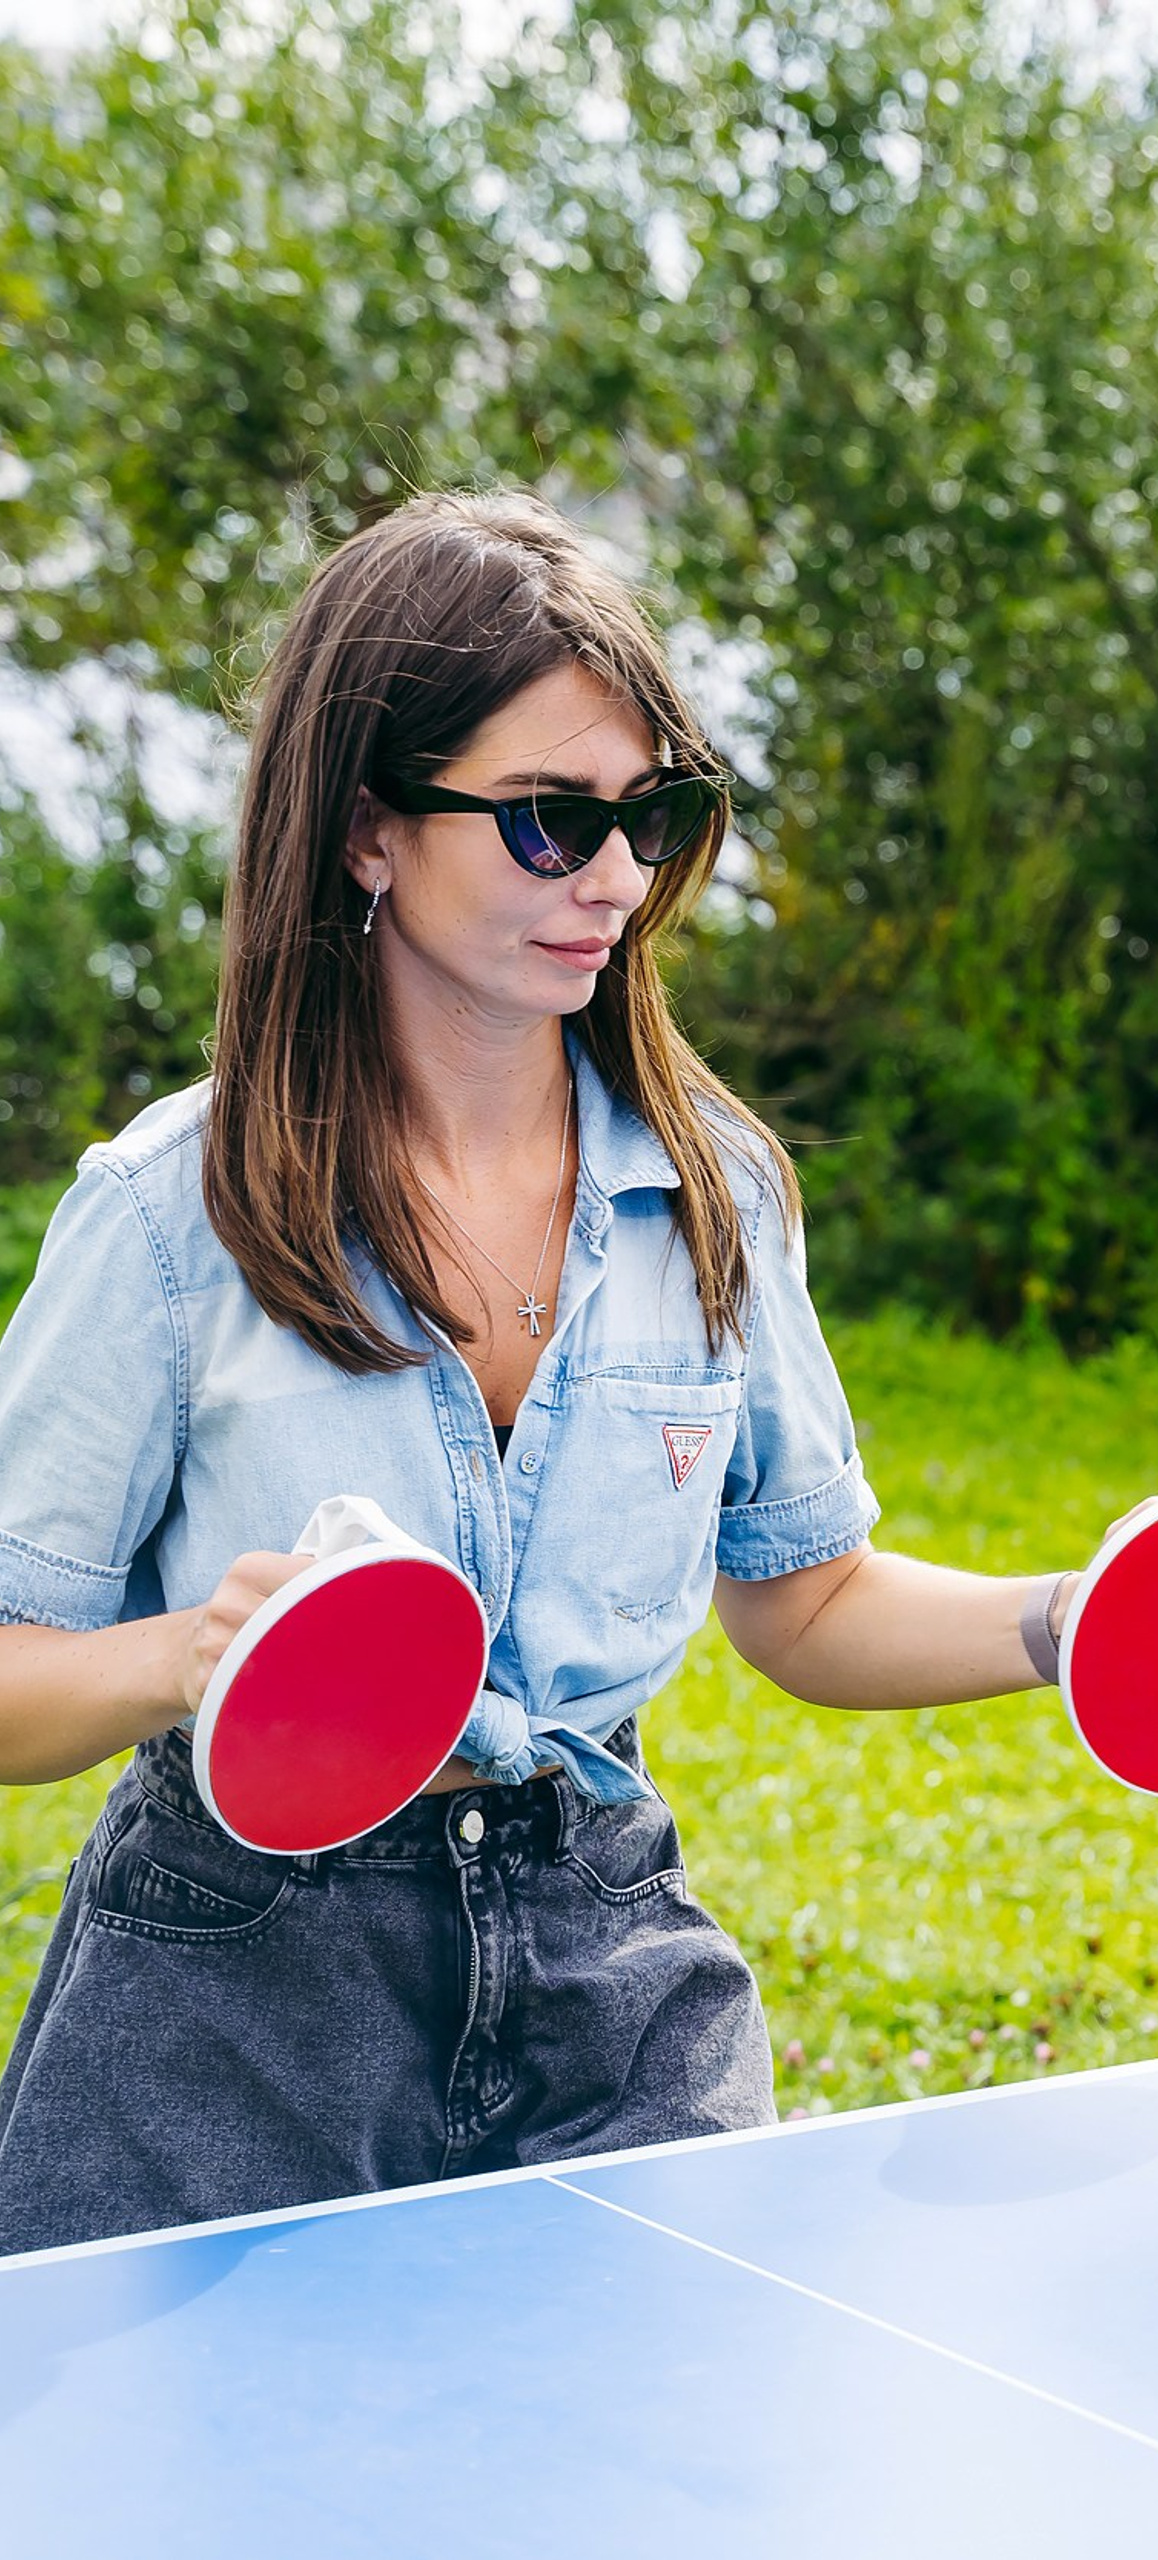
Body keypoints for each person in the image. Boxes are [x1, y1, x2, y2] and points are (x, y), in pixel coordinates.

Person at [0, 488, 1085, 2255]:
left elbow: (802, 1603)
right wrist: (198, 1658)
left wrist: (1072, 1619)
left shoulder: (712, 1192)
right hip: (235, 1980)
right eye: (545, 821)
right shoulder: (164, 1216)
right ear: (367, 833)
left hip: (605, 1951)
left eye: (651, 814)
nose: (617, 878)